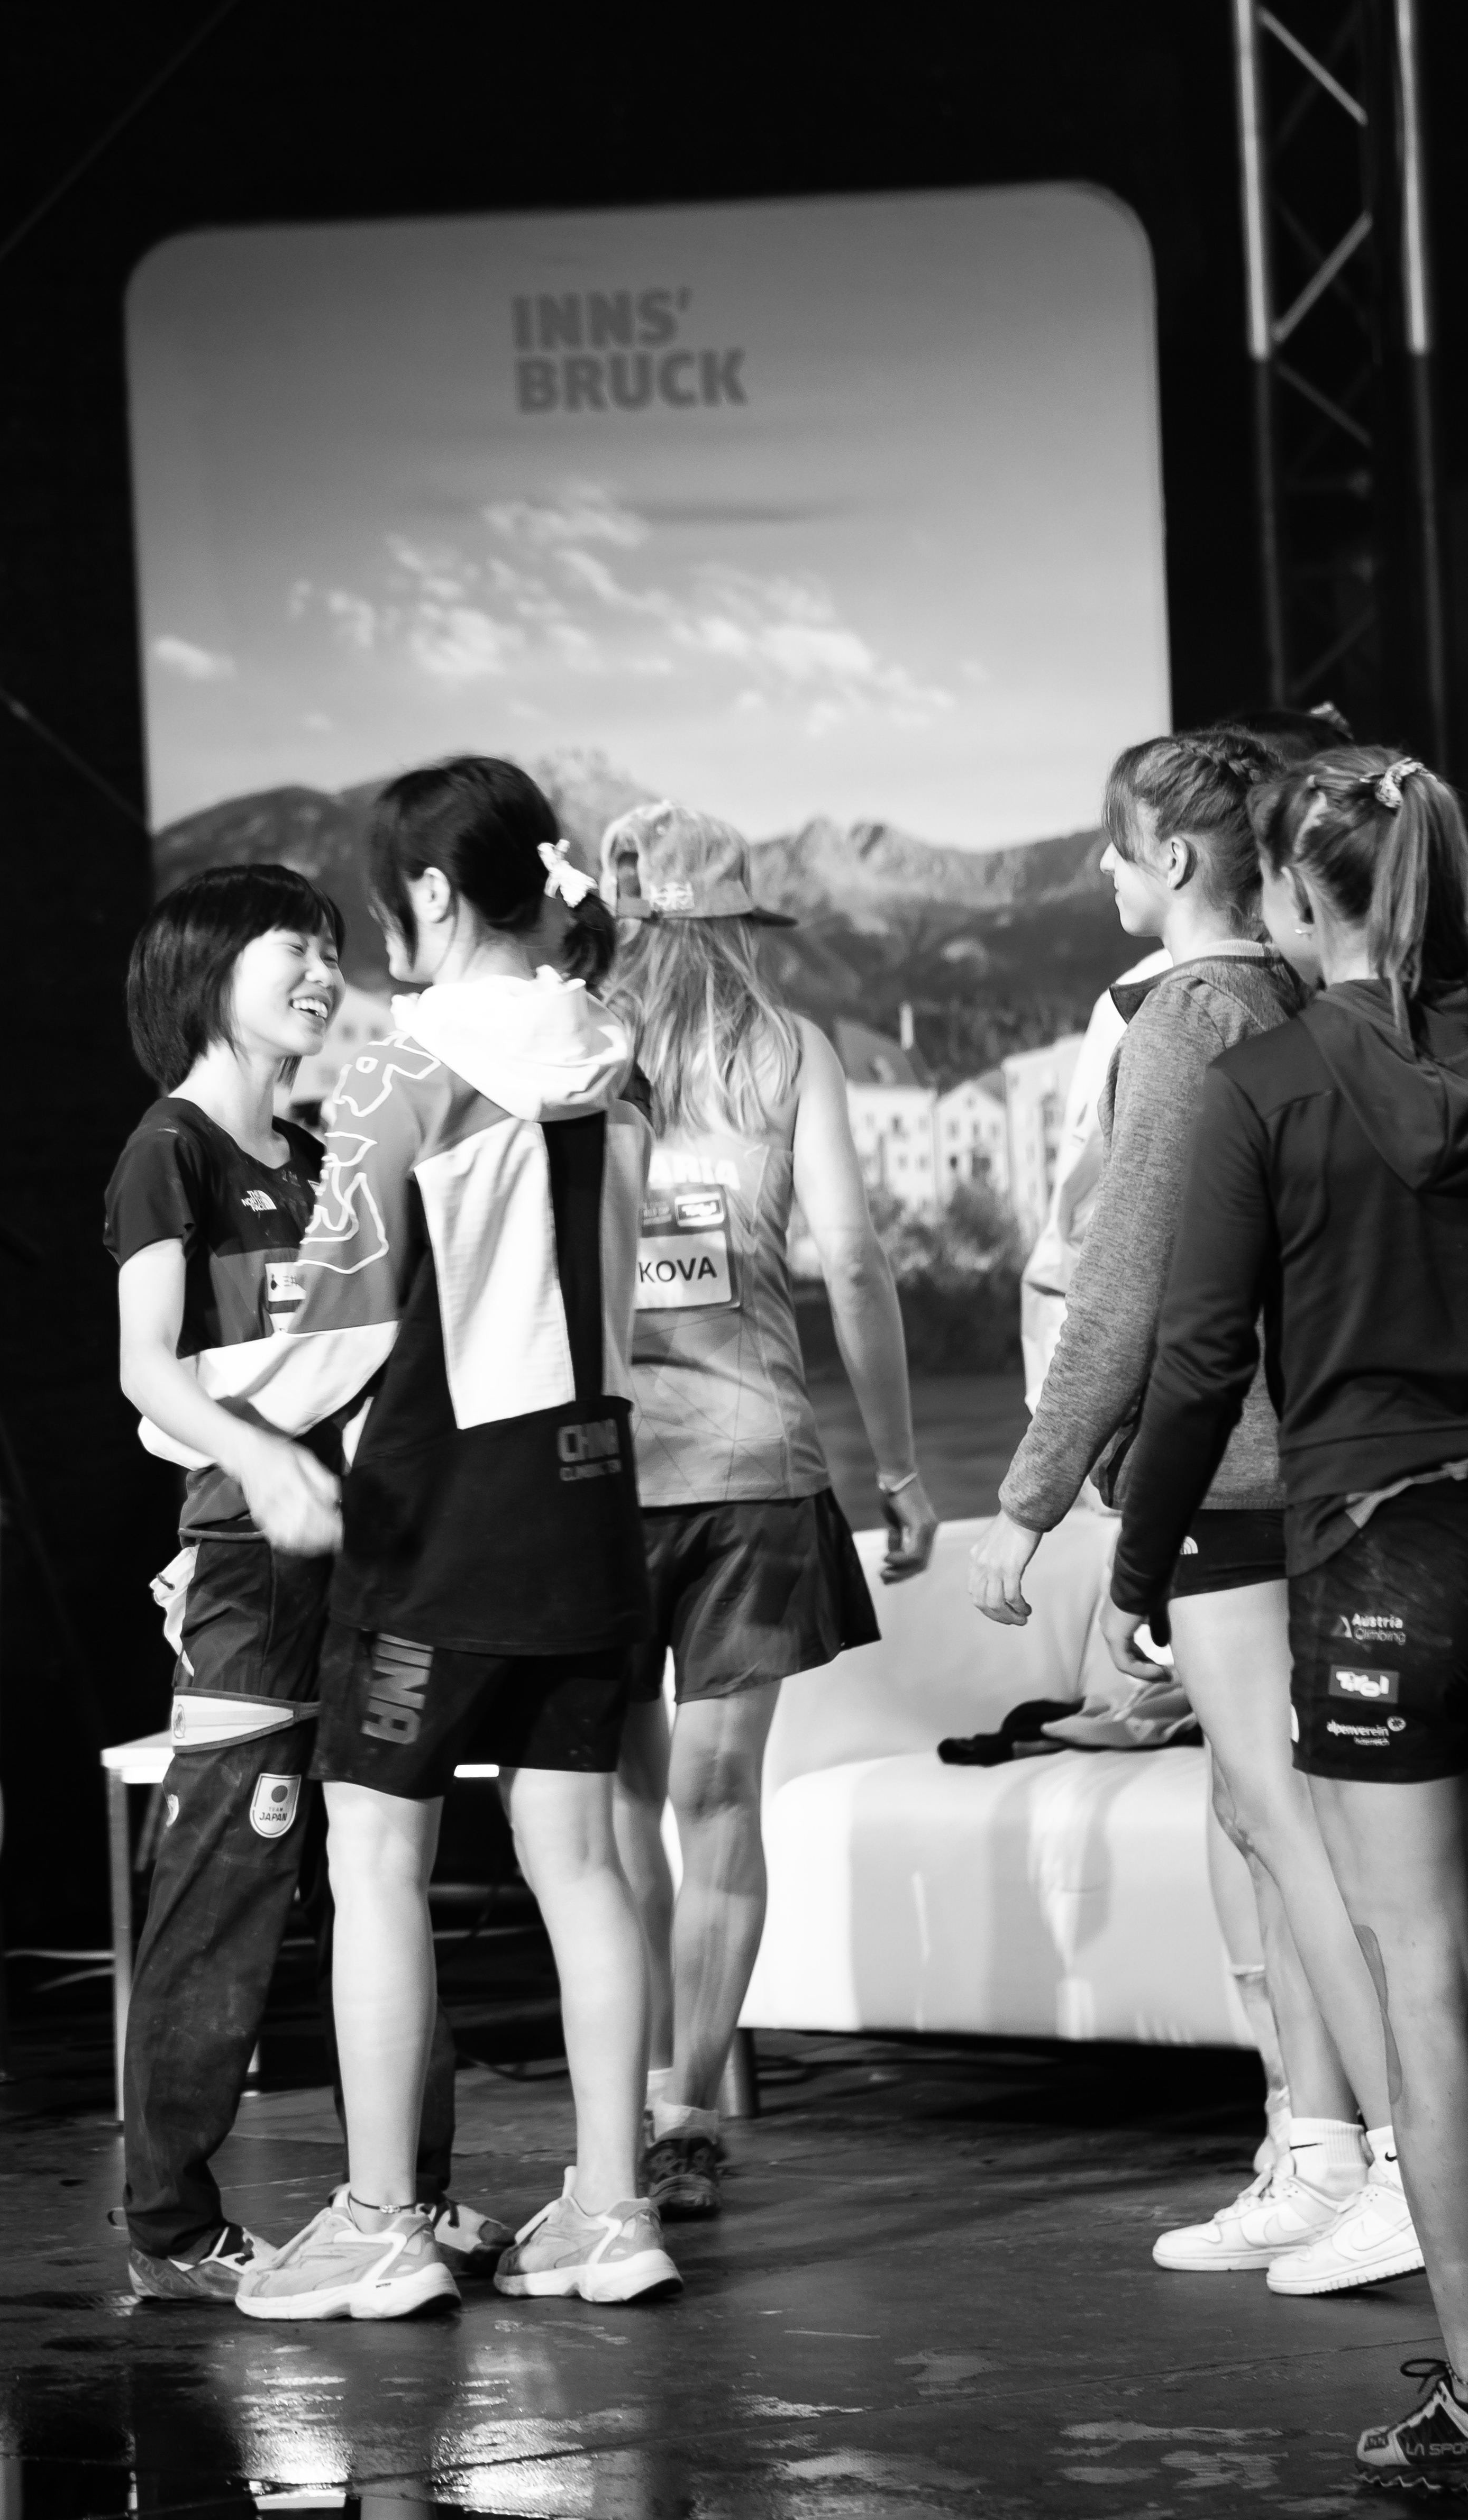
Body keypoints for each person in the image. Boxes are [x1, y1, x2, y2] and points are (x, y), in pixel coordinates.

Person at [229, 756, 679, 2320]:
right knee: (584, 1864)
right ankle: (613, 2210)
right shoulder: (620, 1061)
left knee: (374, 1858)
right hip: (592, 1513)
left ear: (428, 894)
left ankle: (381, 2222)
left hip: (437, 1523)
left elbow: (333, 1342)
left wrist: (199, 1410)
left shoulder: (399, 1075)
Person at [969, 730, 1400, 2281]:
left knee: (1288, 1824)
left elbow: (1128, 1291)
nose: (1099, 868)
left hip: (1232, 1472)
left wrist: (1028, 1500)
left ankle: (1403, 2158)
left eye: (1113, 843)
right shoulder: (1298, 995)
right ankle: (1328, 2150)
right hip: (1310, 1464)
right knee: (1276, 1818)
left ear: (1170, 861)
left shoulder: (1182, 1019)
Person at [1105, 746, 1468, 2483]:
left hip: (1386, 1553)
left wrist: (1133, 1569)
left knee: (1431, 1984)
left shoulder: (1259, 1079)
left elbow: (1193, 1362)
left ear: (1291, 894)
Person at [106, 863, 501, 2302]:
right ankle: (169, 2227)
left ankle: (407, 2197)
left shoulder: (333, 1148)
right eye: (295, 947)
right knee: (229, 1884)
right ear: (207, 967)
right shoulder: (171, 1149)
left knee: (380, 1871)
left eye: (334, 949)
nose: (326, 974)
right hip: (248, 1566)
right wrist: (261, 1462)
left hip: (374, 1554)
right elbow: (146, 1366)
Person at [597, 800, 937, 2219]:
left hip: (597, 1480)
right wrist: (900, 1469)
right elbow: (852, 1263)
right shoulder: (792, 1049)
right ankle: (686, 2119)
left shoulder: (575, 1049)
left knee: (622, 1799)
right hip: (754, 1476)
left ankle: (624, 2110)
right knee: (720, 1796)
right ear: (742, 925)